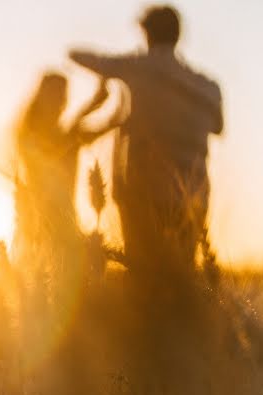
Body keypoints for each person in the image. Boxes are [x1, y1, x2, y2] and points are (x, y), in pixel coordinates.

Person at [69, 5, 223, 273]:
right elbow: (218, 128)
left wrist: (114, 74)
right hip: (195, 194)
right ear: (177, 36)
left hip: (143, 191)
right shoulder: (207, 86)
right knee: (182, 277)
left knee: (144, 276)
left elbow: (76, 54)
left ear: (147, 34)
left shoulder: (135, 68)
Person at [16, 72, 117, 273]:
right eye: (54, 95)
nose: (61, 101)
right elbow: (58, 146)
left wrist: (114, 119)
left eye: (62, 95)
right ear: (41, 96)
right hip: (40, 222)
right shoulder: (29, 130)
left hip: (63, 219)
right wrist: (91, 106)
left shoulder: (59, 130)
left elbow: (76, 136)